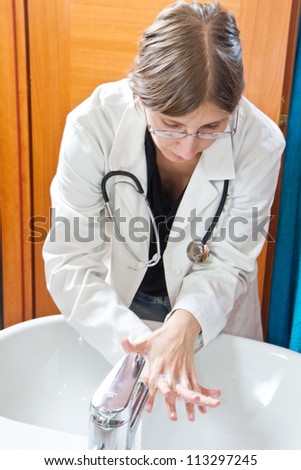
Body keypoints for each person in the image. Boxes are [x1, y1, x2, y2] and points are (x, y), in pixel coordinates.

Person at [43, 1, 285, 422]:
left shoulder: (258, 143)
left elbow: (229, 260)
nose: (188, 148)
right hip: (112, 311)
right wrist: (144, 344)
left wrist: (186, 323)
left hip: (210, 320)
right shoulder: (92, 126)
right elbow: (70, 260)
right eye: (170, 124)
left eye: (211, 128)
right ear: (138, 96)